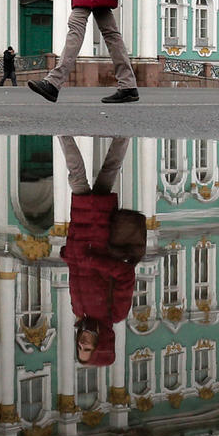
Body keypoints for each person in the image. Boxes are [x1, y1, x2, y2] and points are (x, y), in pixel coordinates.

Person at [58, 135, 136, 371]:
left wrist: (68, 257)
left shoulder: (78, 312)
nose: (82, 344)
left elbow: (76, 272)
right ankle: (124, 133)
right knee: (103, 174)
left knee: (82, 178)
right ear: (101, 344)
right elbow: (125, 274)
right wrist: (94, 261)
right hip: (102, 236)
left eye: (80, 348)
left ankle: (62, 131)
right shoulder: (116, 313)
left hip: (80, 235)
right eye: (88, 348)